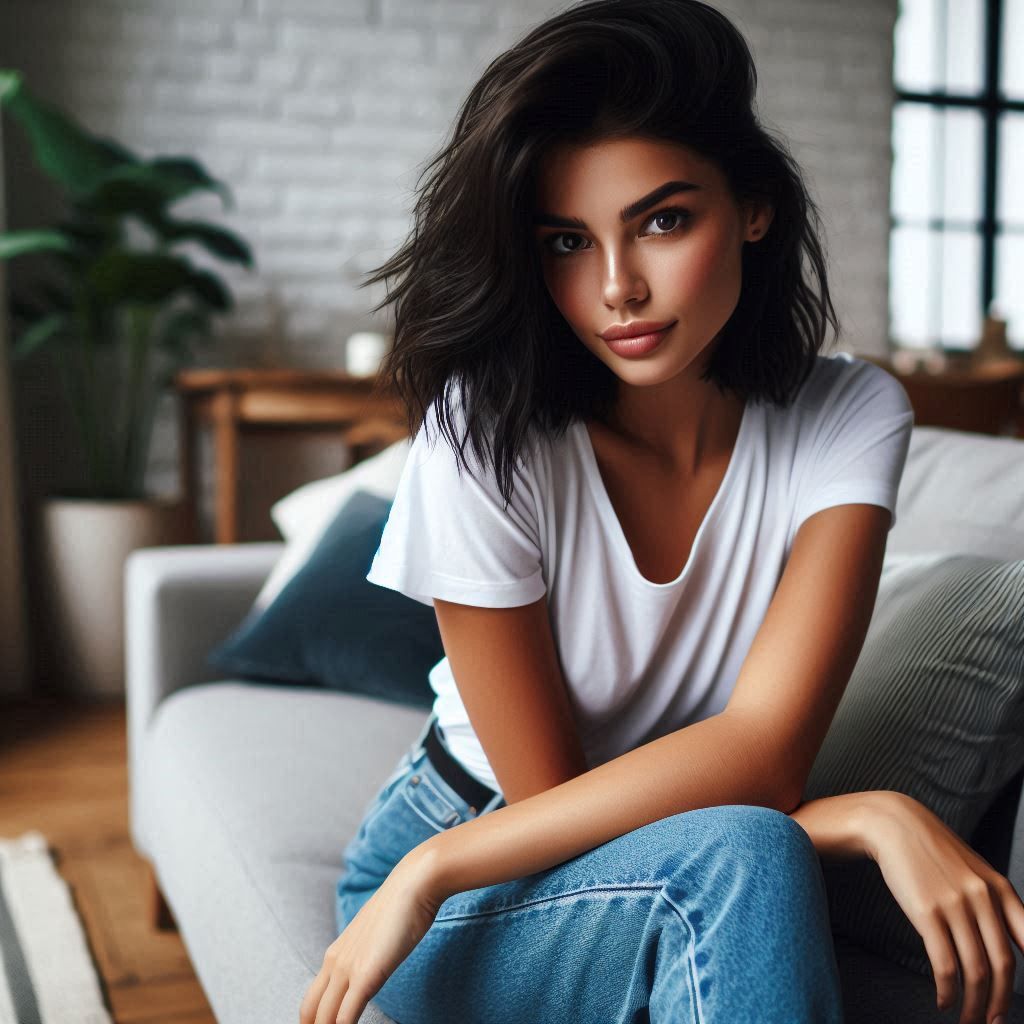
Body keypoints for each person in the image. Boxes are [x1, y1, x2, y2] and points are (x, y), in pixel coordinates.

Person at [300, 2, 1024, 1023]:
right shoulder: (486, 431)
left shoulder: (846, 417)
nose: (614, 289)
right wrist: (426, 872)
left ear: (755, 208)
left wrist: (831, 812)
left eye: (662, 220)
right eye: (564, 241)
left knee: (745, 850)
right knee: (746, 853)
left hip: (672, 848)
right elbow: (561, 807)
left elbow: (768, 747)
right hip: (470, 869)